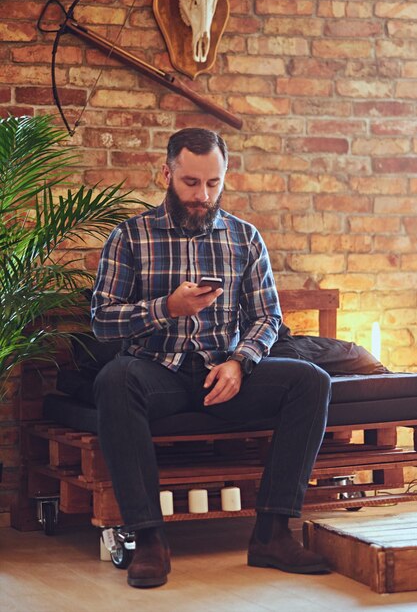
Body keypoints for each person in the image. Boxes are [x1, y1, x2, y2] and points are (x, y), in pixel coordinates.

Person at [91, 128, 332, 589]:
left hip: (223, 375)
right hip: (157, 374)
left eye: (213, 184)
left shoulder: (245, 238)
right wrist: (168, 307)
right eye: (190, 183)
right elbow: (102, 321)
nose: (202, 196)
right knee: (115, 379)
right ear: (167, 173)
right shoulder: (129, 238)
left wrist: (240, 362)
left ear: (224, 178)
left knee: (311, 380)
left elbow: (267, 318)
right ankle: (149, 540)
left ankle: (272, 533)